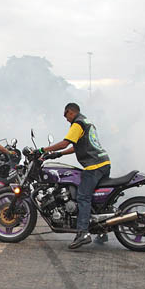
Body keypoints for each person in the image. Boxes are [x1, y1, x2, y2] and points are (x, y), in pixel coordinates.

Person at [40, 102, 111, 249]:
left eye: (66, 115)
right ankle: (102, 231)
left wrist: (42, 150)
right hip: (104, 163)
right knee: (97, 200)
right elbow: (75, 147)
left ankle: (83, 233)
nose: (66, 119)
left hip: (94, 166)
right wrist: (57, 155)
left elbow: (65, 143)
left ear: (70, 112)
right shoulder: (88, 122)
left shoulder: (77, 123)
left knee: (83, 197)